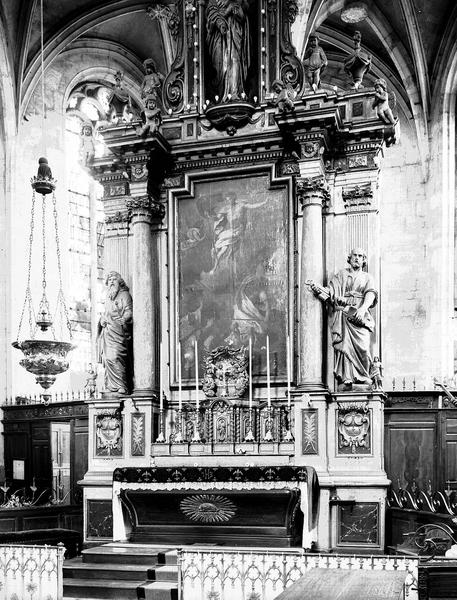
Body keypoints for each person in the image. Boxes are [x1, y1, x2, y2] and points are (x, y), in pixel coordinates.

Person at [307, 248, 377, 389]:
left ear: (364, 260)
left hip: (359, 314)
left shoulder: (367, 277)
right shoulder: (341, 275)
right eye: (354, 256)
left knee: (363, 346)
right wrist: (318, 288)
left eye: (360, 256)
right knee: (345, 345)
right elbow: (331, 292)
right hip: (344, 314)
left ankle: (363, 375)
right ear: (349, 258)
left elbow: (371, 294)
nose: (357, 258)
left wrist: (362, 309)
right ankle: (348, 377)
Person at [206, 0, 250, 101]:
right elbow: (210, 12)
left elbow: (244, 13)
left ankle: (234, 92)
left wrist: (234, 8)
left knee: (234, 60)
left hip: (234, 30)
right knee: (220, 66)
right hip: (218, 35)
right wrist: (221, 18)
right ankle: (220, 94)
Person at [97, 271, 133, 394]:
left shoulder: (125, 295)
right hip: (108, 331)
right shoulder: (108, 297)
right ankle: (111, 386)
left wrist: (123, 319)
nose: (111, 281)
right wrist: (101, 320)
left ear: (119, 282)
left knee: (116, 356)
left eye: (114, 279)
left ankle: (121, 385)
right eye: (109, 279)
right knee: (107, 358)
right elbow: (105, 313)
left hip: (118, 330)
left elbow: (129, 311)